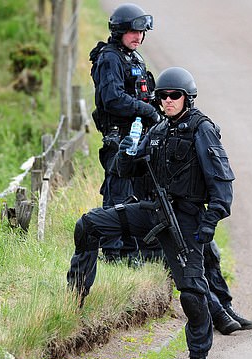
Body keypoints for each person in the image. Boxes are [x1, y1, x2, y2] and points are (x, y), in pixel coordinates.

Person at [67, 67, 235, 359]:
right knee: (88, 225)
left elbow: (222, 184)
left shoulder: (202, 130)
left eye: (174, 96)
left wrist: (208, 225)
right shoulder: (157, 130)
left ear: (188, 98)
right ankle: (75, 298)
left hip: (185, 220)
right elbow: (123, 170)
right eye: (162, 96)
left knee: (191, 294)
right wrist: (126, 149)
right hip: (153, 211)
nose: (168, 101)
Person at [88, 3, 160, 264]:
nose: (138, 37)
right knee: (119, 193)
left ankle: (135, 251)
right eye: (133, 32)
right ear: (120, 31)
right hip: (119, 138)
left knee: (140, 194)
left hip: (140, 137)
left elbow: (145, 92)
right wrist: (146, 110)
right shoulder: (110, 58)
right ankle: (113, 252)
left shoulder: (134, 58)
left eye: (141, 33)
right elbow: (113, 99)